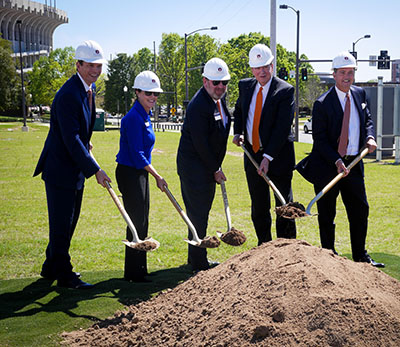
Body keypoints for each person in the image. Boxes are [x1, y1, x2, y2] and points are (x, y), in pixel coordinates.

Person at [33, 40, 111, 289]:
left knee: (67, 222)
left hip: (74, 169)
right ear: (78, 65)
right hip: (60, 170)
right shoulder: (69, 93)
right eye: (90, 66)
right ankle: (64, 275)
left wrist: (86, 147)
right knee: (62, 224)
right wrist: (95, 169)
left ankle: (50, 267)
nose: (95, 71)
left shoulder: (89, 88)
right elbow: (70, 137)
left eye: (98, 66)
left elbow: (80, 133)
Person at [296, 51, 384, 267]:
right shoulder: (322, 103)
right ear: (334, 74)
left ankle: (360, 256)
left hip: (354, 163)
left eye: (351, 72)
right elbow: (320, 139)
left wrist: (370, 136)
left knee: (360, 210)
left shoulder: (360, 94)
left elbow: (367, 121)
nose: (347, 76)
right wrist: (336, 161)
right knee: (327, 213)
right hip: (328, 166)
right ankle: (329, 256)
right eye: (343, 72)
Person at [232, 43, 296, 245]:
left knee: (283, 206)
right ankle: (264, 247)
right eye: (257, 67)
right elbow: (240, 111)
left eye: (265, 66)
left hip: (278, 158)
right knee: (259, 206)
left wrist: (268, 157)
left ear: (272, 66)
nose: (261, 71)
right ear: (252, 69)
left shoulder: (284, 91)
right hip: (252, 156)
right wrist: (238, 132)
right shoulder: (245, 86)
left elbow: (282, 129)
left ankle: (286, 249)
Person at [177, 57, 231, 272]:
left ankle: (196, 258)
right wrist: (215, 169)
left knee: (201, 213)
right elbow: (201, 144)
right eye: (215, 82)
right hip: (195, 169)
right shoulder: (199, 105)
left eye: (224, 82)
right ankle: (198, 262)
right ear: (205, 81)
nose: (220, 87)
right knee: (198, 214)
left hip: (207, 167)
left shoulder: (219, 100)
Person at [115, 71, 167, 282]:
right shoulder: (133, 118)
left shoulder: (145, 115)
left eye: (155, 94)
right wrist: (157, 175)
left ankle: (140, 269)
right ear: (137, 92)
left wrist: (151, 174)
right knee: (135, 221)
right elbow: (137, 155)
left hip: (140, 172)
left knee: (143, 220)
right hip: (130, 172)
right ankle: (134, 273)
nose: (153, 97)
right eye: (148, 93)